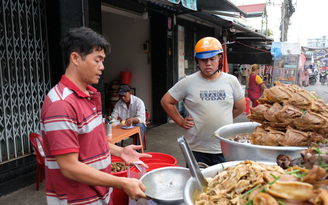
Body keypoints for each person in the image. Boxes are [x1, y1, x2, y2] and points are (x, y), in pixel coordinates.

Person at [40, 27, 151, 205]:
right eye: (97, 60)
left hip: (98, 195)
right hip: (78, 200)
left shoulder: (87, 96)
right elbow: (69, 168)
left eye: (103, 61)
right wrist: (122, 182)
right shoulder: (61, 104)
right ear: (75, 58)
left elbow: (94, 143)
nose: (102, 67)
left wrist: (120, 151)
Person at [161, 37, 245, 166]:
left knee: (223, 184)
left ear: (220, 59)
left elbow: (240, 107)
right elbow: (166, 101)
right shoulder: (187, 82)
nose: (208, 63)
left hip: (224, 146)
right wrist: (180, 121)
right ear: (197, 61)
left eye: (212, 59)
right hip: (196, 148)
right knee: (198, 184)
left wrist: (224, 117)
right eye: (203, 60)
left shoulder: (231, 81)